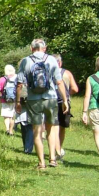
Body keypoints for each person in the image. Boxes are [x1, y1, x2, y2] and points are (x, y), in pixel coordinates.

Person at [15, 39, 69, 169]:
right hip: (50, 98)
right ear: (44, 48)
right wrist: (65, 100)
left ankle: (41, 163)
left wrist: (17, 101)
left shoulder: (25, 61)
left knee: (37, 131)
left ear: (31, 48)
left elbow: (19, 84)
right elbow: (59, 82)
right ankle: (52, 159)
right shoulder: (51, 60)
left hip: (34, 100)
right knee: (51, 129)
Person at [53, 54, 79, 162]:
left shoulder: (47, 72)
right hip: (64, 103)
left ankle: (56, 150)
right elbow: (75, 89)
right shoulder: (67, 73)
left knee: (53, 127)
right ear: (60, 62)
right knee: (62, 127)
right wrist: (67, 94)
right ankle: (58, 149)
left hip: (50, 101)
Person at [0, 65, 18, 135]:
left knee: (6, 116)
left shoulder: (2, 79)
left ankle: (7, 129)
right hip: (14, 99)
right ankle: (11, 131)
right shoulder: (16, 77)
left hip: (4, 99)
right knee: (12, 116)